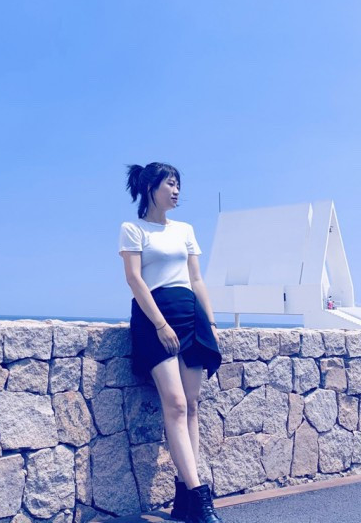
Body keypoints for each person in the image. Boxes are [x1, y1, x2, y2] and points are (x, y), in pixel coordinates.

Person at [118, 162, 223, 523]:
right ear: (151, 188)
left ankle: (183, 498)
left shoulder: (185, 230)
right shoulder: (133, 229)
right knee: (175, 404)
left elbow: (197, 279)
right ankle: (200, 498)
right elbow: (134, 280)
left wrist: (211, 321)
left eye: (179, 184)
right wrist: (160, 325)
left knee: (191, 405)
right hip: (155, 318)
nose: (177, 190)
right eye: (170, 184)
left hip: (190, 316)